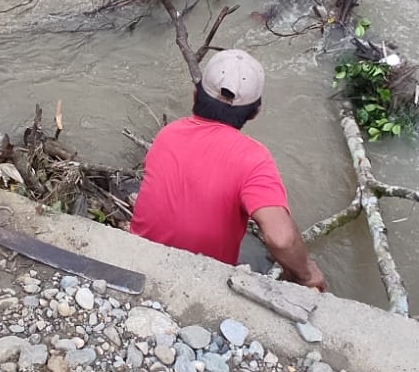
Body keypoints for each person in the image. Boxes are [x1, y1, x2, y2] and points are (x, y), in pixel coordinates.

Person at [130, 48, 326, 290]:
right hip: (196, 281)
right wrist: (306, 274)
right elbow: (281, 239)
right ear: (255, 112)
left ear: (195, 94)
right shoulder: (253, 158)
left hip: (136, 260)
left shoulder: (167, 134)